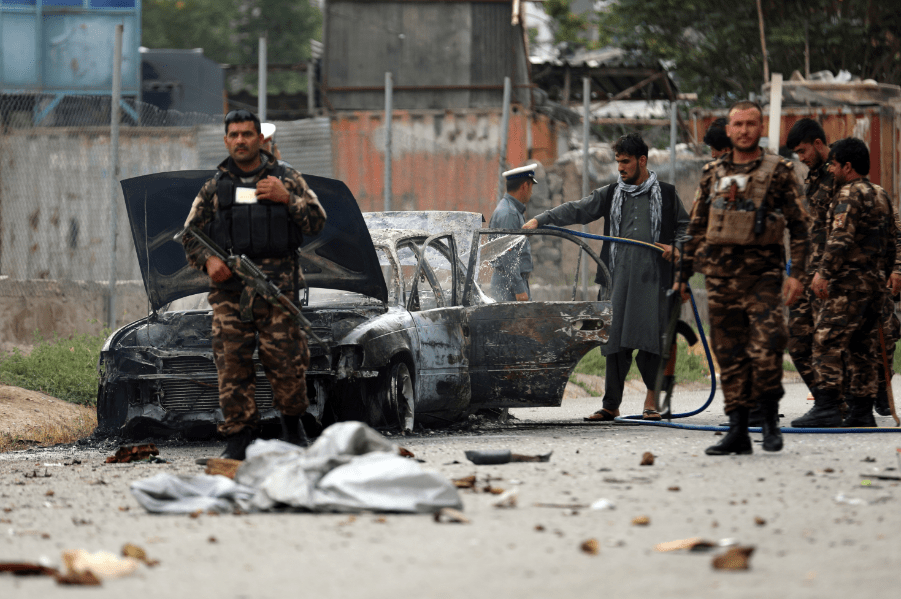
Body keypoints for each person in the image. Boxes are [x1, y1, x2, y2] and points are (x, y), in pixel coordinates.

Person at [181, 109, 327, 459]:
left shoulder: (286, 177)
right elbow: (190, 234)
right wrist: (209, 260)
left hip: (279, 292)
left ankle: (293, 429)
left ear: (260, 139)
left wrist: (286, 199)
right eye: (234, 135)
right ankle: (239, 438)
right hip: (231, 294)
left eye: (248, 134)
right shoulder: (215, 186)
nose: (241, 141)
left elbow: (318, 222)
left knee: (288, 362)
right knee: (232, 365)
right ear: (226, 140)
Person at [523, 133, 689, 421]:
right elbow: (578, 209)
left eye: (626, 162)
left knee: (651, 343)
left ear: (642, 160)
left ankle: (652, 403)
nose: (620, 168)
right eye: (617, 162)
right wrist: (542, 219)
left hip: (653, 282)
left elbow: (686, 229)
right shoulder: (611, 194)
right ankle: (611, 404)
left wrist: (678, 249)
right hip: (617, 281)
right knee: (613, 344)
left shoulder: (667, 195)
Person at [678, 100, 809, 455]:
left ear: (760, 127)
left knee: (766, 349)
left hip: (763, 278)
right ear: (730, 129)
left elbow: (799, 225)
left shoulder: (779, 171)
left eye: (751, 124)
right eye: (738, 124)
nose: (744, 130)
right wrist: (682, 275)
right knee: (731, 355)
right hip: (720, 280)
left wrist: (797, 274)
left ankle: (768, 421)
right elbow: (696, 226)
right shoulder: (712, 173)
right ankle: (737, 428)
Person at [793, 137, 896, 428]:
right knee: (862, 347)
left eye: (835, 165)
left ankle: (826, 406)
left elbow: (840, 239)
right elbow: (891, 243)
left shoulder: (848, 195)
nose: (832, 170)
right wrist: (886, 275)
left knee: (826, 339)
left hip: (848, 286)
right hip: (874, 286)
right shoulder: (880, 194)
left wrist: (823, 272)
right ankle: (862, 412)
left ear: (847, 166)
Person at [784, 119, 834, 397]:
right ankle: (826, 400)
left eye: (803, 152)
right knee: (798, 339)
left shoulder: (840, 173)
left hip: (832, 273)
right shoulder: (812, 177)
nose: (801, 159)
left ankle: (845, 401)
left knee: (831, 342)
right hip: (808, 271)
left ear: (817, 144)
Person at [489, 164, 537, 301]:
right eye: (531, 187)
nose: (531, 192)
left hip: (510, 280)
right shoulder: (509, 213)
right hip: (509, 284)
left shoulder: (512, 210)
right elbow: (508, 254)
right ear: (525, 186)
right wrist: (519, 289)